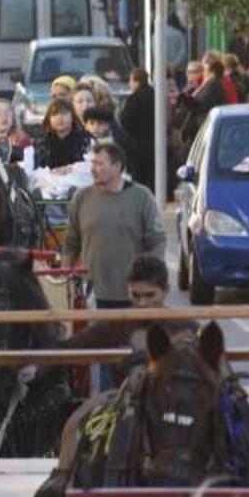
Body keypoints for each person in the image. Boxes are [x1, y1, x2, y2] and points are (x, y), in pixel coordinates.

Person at [62, 139, 165, 309]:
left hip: (133, 296)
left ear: (117, 167)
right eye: (92, 163)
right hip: (93, 295)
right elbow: (71, 240)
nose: (93, 169)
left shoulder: (142, 197)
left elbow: (157, 241)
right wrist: (66, 271)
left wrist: (151, 281)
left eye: (100, 164)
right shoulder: (81, 197)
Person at [65, 253, 171, 365]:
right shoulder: (117, 324)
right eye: (135, 295)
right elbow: (72, 344)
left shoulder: (184, 328)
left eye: (150, 295)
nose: (142, 303)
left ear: (166, 291)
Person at [116, 66, 155, 189]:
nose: (129, 84)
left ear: (136, 81)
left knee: (140, 175)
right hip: (155, 142)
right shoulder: (154, 94)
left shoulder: (135, 98)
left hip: (139, 142)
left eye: (130, 80)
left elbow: (125, 121)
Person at [35, 96, 89, 170]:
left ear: (72, 116)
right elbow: (38, 167)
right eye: (54, 114)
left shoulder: (84, 138)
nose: (59, 118)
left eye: (64, 113)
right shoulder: (42, 140)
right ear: (49, 119)